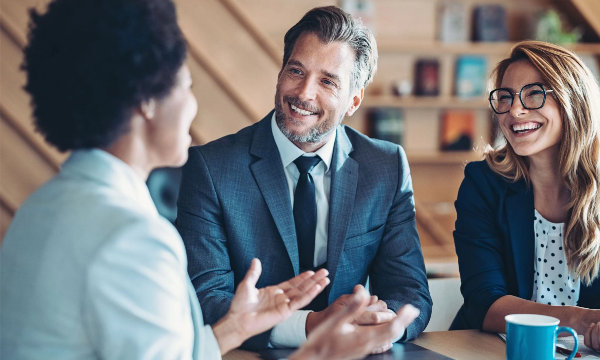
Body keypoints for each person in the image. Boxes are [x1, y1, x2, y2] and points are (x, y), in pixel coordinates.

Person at [0, 0, 419, 359]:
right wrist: (317, 348)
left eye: (328, 80)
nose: (192, 105)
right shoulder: (133, 239)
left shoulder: (39, 208)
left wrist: (235, 328)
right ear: (147, 101)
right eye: (187, 84)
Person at [176, 5, 432, 352]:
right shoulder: (211, 168)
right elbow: (206, 299)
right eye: (296, 71)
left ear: (353, 100)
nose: (304, 93)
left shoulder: (386, 166)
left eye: (327, 81)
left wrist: (381, 323)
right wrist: (313, 326)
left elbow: (410, 290)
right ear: (280, 72)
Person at [451, 40, 600, 350]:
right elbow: (484, 302)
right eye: (505, 97)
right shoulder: (483, 183)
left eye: (534, 93)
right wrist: (581, 320)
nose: (514, 110)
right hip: (492, 350)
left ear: (574, 100)